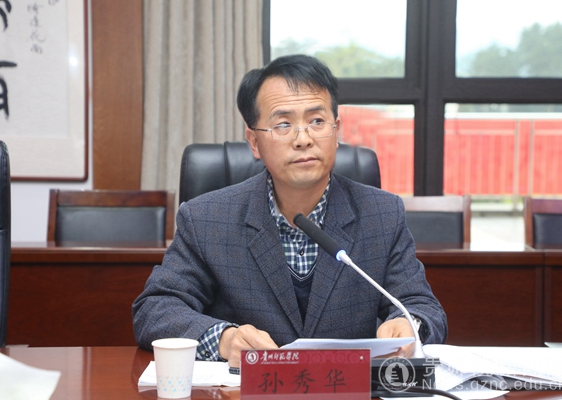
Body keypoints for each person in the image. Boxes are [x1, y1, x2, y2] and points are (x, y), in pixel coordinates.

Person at [132, 54, 447, 368]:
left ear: (336, 130)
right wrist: (224, 339)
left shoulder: (382, 214)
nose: (303, 139)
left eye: (317, 121)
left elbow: (423, 307)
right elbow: (155, 309)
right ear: (254, 142)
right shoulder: (206, 219)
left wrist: (409, 324)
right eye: (283, 124)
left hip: (348, 386)